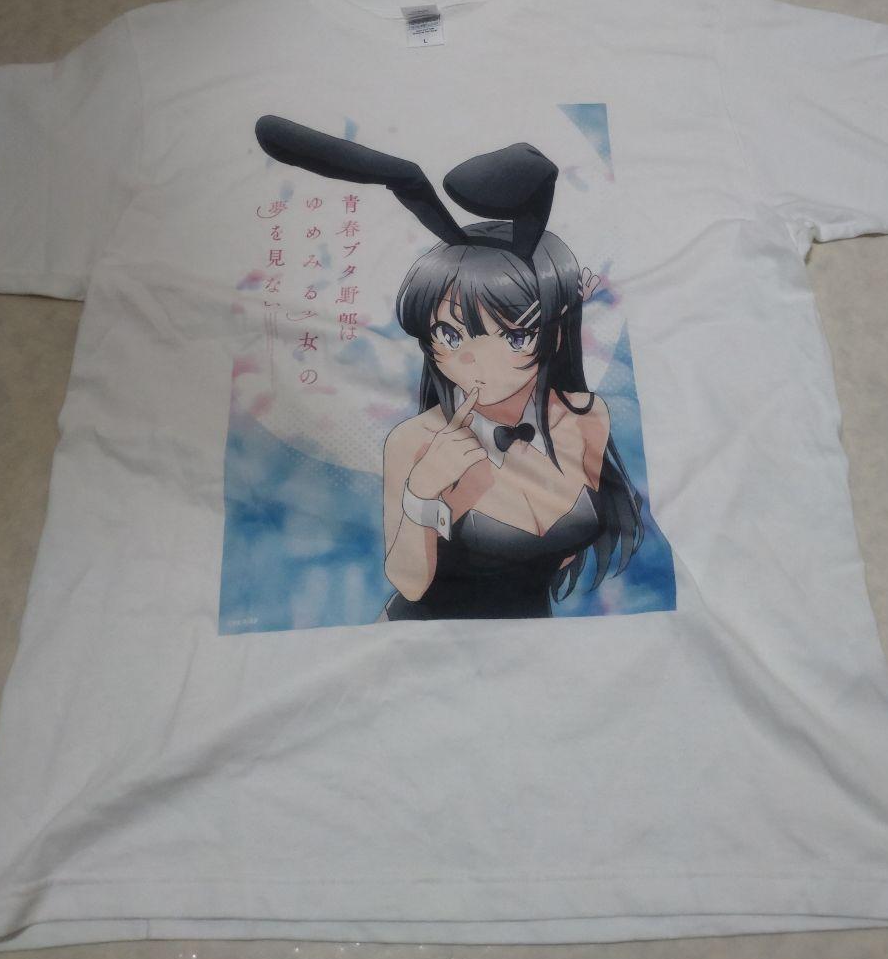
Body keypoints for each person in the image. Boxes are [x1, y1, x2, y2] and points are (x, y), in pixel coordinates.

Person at [252, 116, 644, 621]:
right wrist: (423, 489)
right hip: (417, 638)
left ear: (555, 332)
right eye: (450, 335)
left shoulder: (588, 416)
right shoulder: (416, 441)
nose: (472, 361)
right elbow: (409, 584)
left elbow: (577, 535)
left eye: (515, 336)